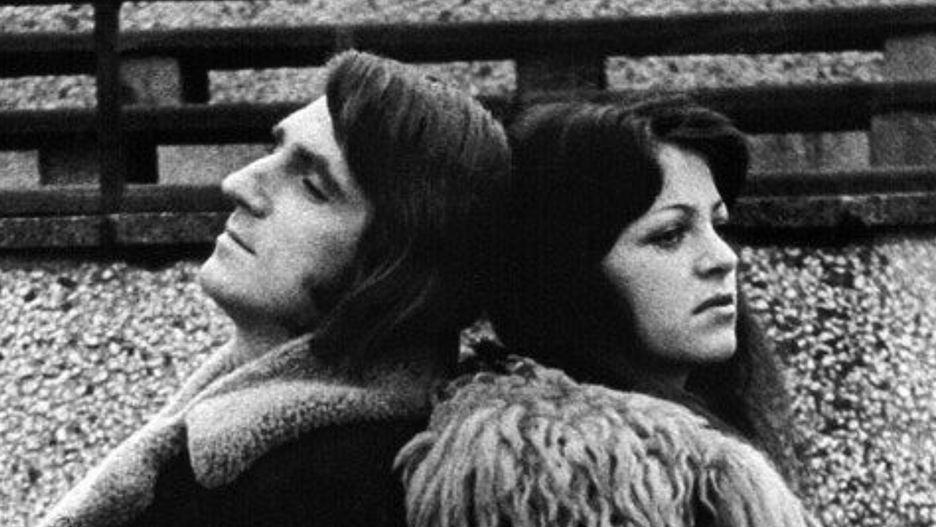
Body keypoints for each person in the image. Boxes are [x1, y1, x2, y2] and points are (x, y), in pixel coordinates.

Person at [38, 50, 510, 527]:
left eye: (312, 186)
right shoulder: (240, 456)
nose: (238, 183)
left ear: (396, 265)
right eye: (273, 150)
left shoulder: (323, 494)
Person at [397, 99, 813, 527]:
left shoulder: (699, 456)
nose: (724, 258)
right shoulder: (568, 485)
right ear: (568, 272)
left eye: (717, 225)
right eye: (670, 234)